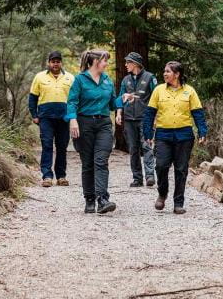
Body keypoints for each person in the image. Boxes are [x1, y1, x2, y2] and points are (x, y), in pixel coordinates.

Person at [143, 61, 208, 214]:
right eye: (164, 71)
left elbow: (198, 113)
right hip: (163, 134)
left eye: (168, 71)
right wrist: (148, 133)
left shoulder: (189, 91)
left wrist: (202, 132)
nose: (165, 74)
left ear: (177, 74)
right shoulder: (158, 90)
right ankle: (162, 193)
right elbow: (150, 113)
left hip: (184, 135)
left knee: (181, 169)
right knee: (161, 166)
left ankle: (178, 202)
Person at [65, 49, 117, 214]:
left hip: (103, 124)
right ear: (95, 61)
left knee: (101, 160)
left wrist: (123, 101)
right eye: (104, 60)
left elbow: (112, 103)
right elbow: (72, 101)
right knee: (88, 163)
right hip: (84, 123)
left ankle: (102, 199)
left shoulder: (107, 80)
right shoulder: (80, 80)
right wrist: (73, 120)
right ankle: (89, 198)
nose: (106, 63)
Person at [28, 51, 74, 188]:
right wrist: (34, 115)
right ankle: (47, 176)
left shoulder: (70, 78)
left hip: (64, 118)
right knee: (47, 145)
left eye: (58, 61)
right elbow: (33, 98)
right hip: (45, 118)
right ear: (49, 62)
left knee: (62, 147)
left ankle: (61, 176)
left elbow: (74, 99)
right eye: (53, 61)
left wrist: (73, 116)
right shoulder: (39, 77)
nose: (55, 64)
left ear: (61, 63)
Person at [114, 52, 157, 187]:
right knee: (133, 149)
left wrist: (155, 117)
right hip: (129, 119)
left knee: (147, 146)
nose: (126, 65)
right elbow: (121, 97)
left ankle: (150, 176)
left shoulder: (150, 78)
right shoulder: (125, 80)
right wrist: (119, 113)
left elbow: (157, 97)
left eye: (128, 62)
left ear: (135, 64)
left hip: (145, 118)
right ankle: (137, 178)